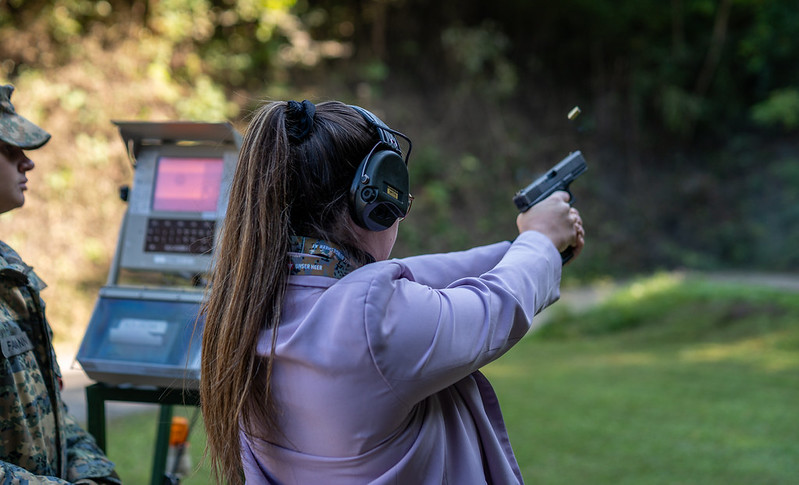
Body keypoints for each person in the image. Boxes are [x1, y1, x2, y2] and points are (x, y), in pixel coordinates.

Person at [200, 99, 585, 484]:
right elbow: (497, 306)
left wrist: (521, 248)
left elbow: (416, 274)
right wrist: (541, 241)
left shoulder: (246, 307)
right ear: (377, 203)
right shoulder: (371, 321)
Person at [0, 84, 121, 484]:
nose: (27, 163)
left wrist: (94, 474)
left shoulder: (11, 273)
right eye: (9, 148)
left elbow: (48, 410)